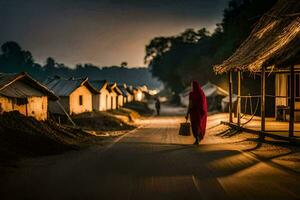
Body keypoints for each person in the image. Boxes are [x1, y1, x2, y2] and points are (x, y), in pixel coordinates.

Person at [186, 80, 207, 145]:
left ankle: (197, 138)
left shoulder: (191, 94)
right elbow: (204, 103)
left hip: (194, 112)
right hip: (201, 112)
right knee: (199, 124)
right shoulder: (202, 93)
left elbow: (190, 104)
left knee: (195, 125)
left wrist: (187, 113)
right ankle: (199, 136)